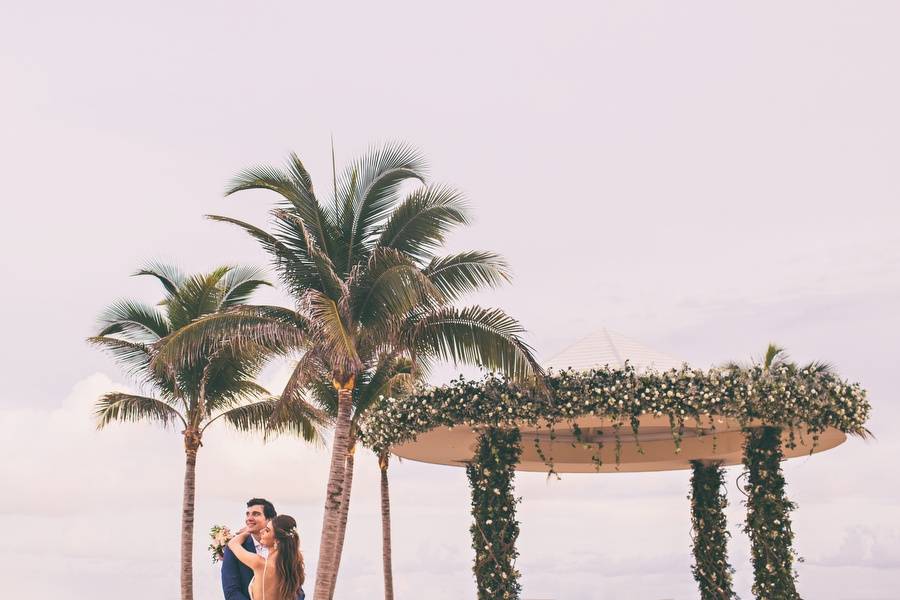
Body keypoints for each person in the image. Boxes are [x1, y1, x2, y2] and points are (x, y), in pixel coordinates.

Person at [221, 498, 305, 600]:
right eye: (247, 514)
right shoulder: (291, 555)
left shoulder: (259, 562)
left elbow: (298, 592)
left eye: (256, 514)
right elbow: (231, 592)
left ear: (270, 520)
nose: (249, 518)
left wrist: (246, 532)